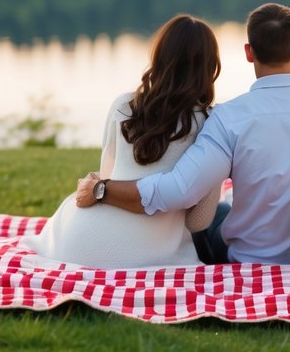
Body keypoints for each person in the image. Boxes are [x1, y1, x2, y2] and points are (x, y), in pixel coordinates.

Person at [74, 2, 290, 267]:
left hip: (250, 261)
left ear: (248, 52)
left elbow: (179, 191)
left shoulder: (229, 118)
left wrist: (104, 189)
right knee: (221, 206)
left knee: (217, 212)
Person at [27, 14, 224, 269]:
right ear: (209, 67)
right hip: (146, 254)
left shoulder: (123, 105)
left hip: (76, 245)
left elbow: (107, 177)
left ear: (159, 57)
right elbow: (199, 222)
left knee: (65, 210)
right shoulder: (210, 126)